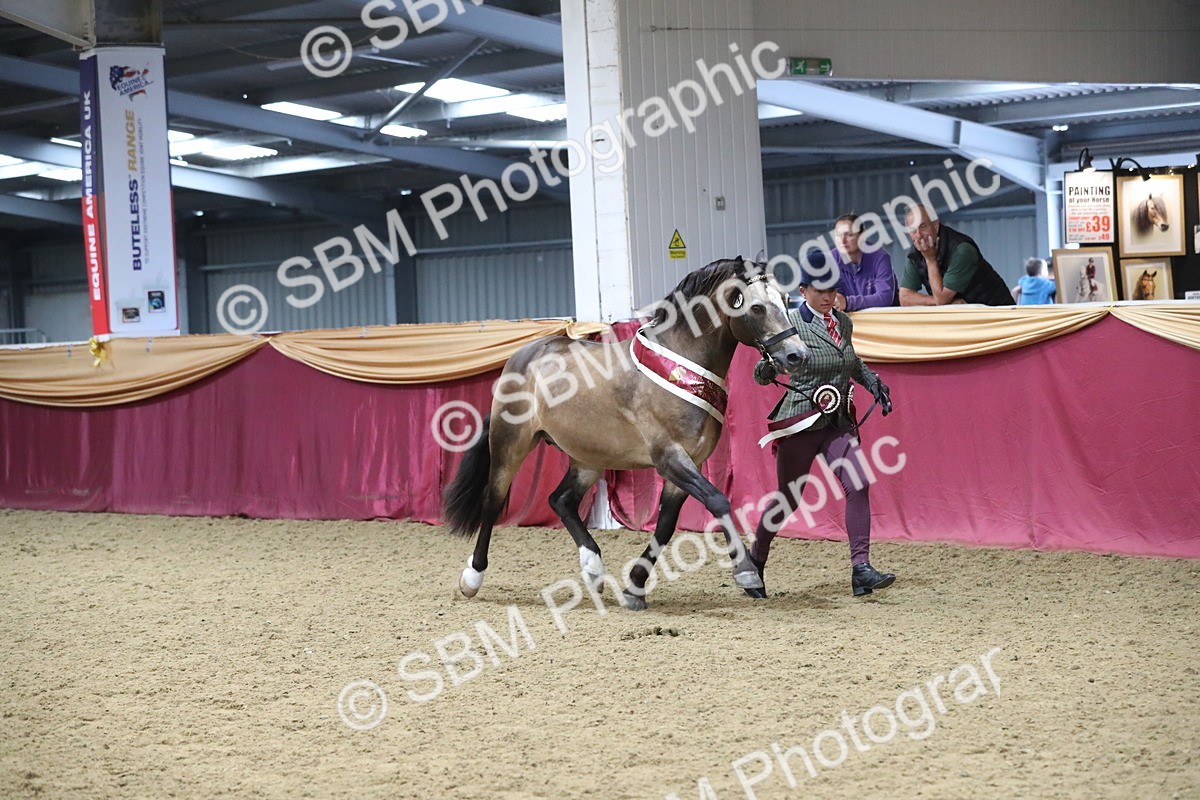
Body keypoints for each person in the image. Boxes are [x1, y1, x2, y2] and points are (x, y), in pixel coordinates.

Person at [748, 250, 896, 599]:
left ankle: (861, 569)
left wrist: (873, 381)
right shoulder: (790, 324)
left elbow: (851, 360)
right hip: (800, 421)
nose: (829, 296)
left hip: (837, 421)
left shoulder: (843, 322)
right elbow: (760, 373)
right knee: (788, 498)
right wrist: (767, 370)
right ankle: (755, 561)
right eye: (821, 290)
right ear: (804, 290)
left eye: (833, 289)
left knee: (858, 484)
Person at [898, 205, 1013, 306]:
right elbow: (904, 298)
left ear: (936, 225)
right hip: (969, 317)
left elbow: (941, 300)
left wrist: (930, 260)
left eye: (923, 226)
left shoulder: (961, 249)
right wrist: (941, 302)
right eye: (913, 230)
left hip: (998, 315)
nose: (919, 235)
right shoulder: (918, 251)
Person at [830, 213, 898, 310]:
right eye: (838, 235)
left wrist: (848, 302)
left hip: (884, 319)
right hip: (851, 320)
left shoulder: (880, 257)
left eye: (849, 235)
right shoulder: (832, 259)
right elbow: (837, 297)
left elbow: (885, 297)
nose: (842, 240)